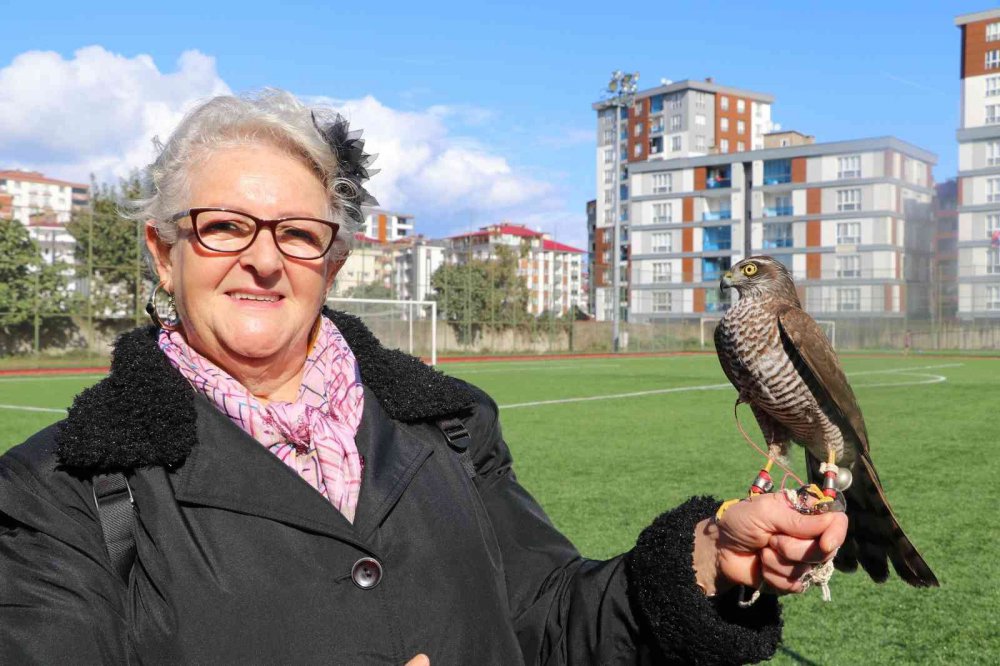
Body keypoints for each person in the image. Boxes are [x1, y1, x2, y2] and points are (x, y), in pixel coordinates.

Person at [0, 90, 846, 665]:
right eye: (223, 227)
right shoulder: (65, 490)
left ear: (332, 259)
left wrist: (708, 561)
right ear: (163, 251)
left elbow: (551, 617)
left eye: (296, 232)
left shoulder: (448, 426)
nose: (262, 259)